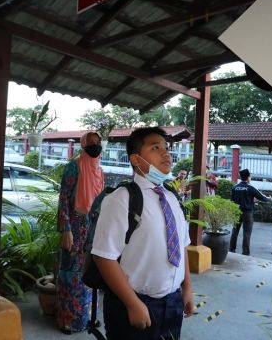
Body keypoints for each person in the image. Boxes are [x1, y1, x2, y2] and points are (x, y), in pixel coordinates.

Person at [92, 127, 194, 339]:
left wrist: (187, 288)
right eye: (155, 148)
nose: (166, 153)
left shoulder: (172, 198)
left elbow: (181, 245)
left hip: (173, 303)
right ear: (136, 160)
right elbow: (103, 256)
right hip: (135, 303)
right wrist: (132, 303)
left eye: (166, 148)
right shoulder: (122, 199)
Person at [56, 132, 105, 334]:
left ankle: (85, 318)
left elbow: (101, 201)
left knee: (88, 273)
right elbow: (63, 200)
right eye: (91, 143)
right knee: (71, 274)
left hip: (93, 228)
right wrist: (66, 229)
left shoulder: (99, 171)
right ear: (83, 145)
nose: (96, 146)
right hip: (75, 226)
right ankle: (67, 320)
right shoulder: (74, 166)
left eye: (98, 142)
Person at [229, 169, 272, 256]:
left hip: (237, 212)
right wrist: (269, 199)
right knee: (247, 233)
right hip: (247, 213)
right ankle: (245, 252)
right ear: (248, 177)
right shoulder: (251, 188)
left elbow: (232, 201)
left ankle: (231, 249)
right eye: (250, 176)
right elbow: (262, 197)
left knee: (235, 231)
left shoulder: (235, 187)